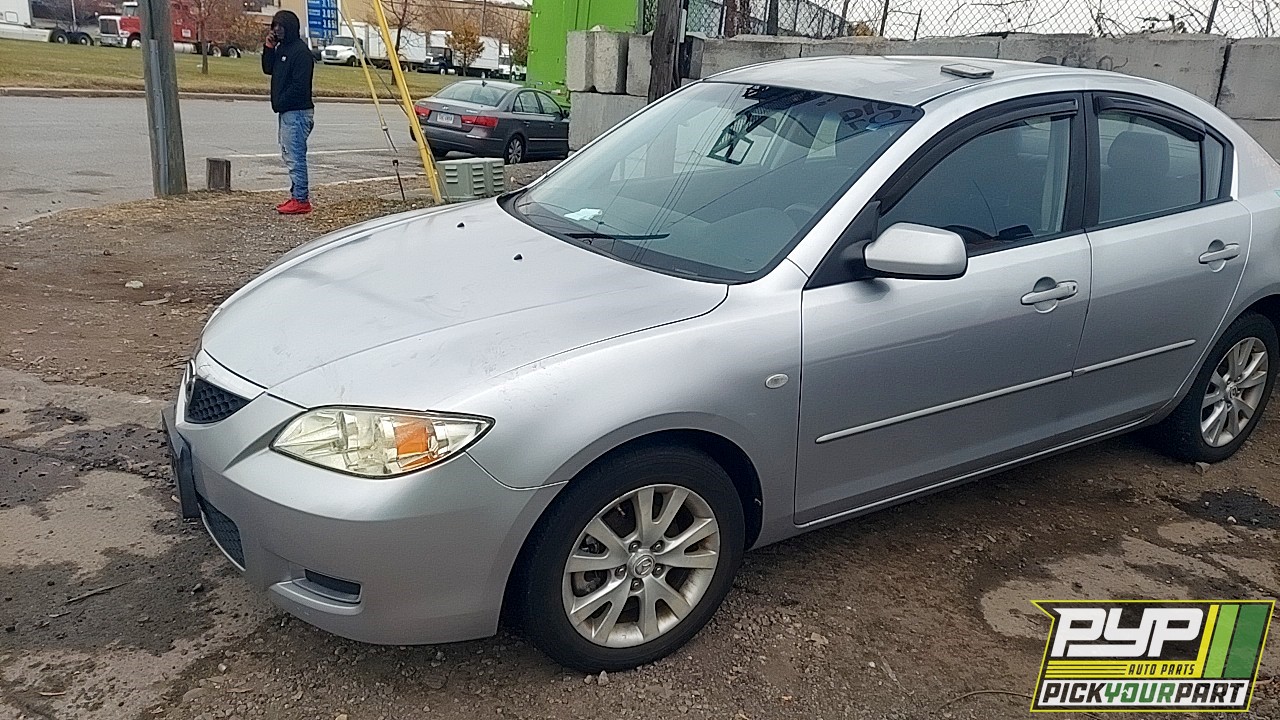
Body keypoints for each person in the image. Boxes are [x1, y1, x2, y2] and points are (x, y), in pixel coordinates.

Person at [262, 11, 315, 215]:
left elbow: (299, 86)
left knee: (295, 156)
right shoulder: (281, 48)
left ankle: (301, 199)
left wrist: (281, 102)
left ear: (290, 27)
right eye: (274, 26)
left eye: (281, 27)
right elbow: (268, 69)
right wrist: (268, 48)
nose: (277, 30)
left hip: (297, 112)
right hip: (287, 112)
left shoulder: (300, 52)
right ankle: (296, 195)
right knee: (289, 154)